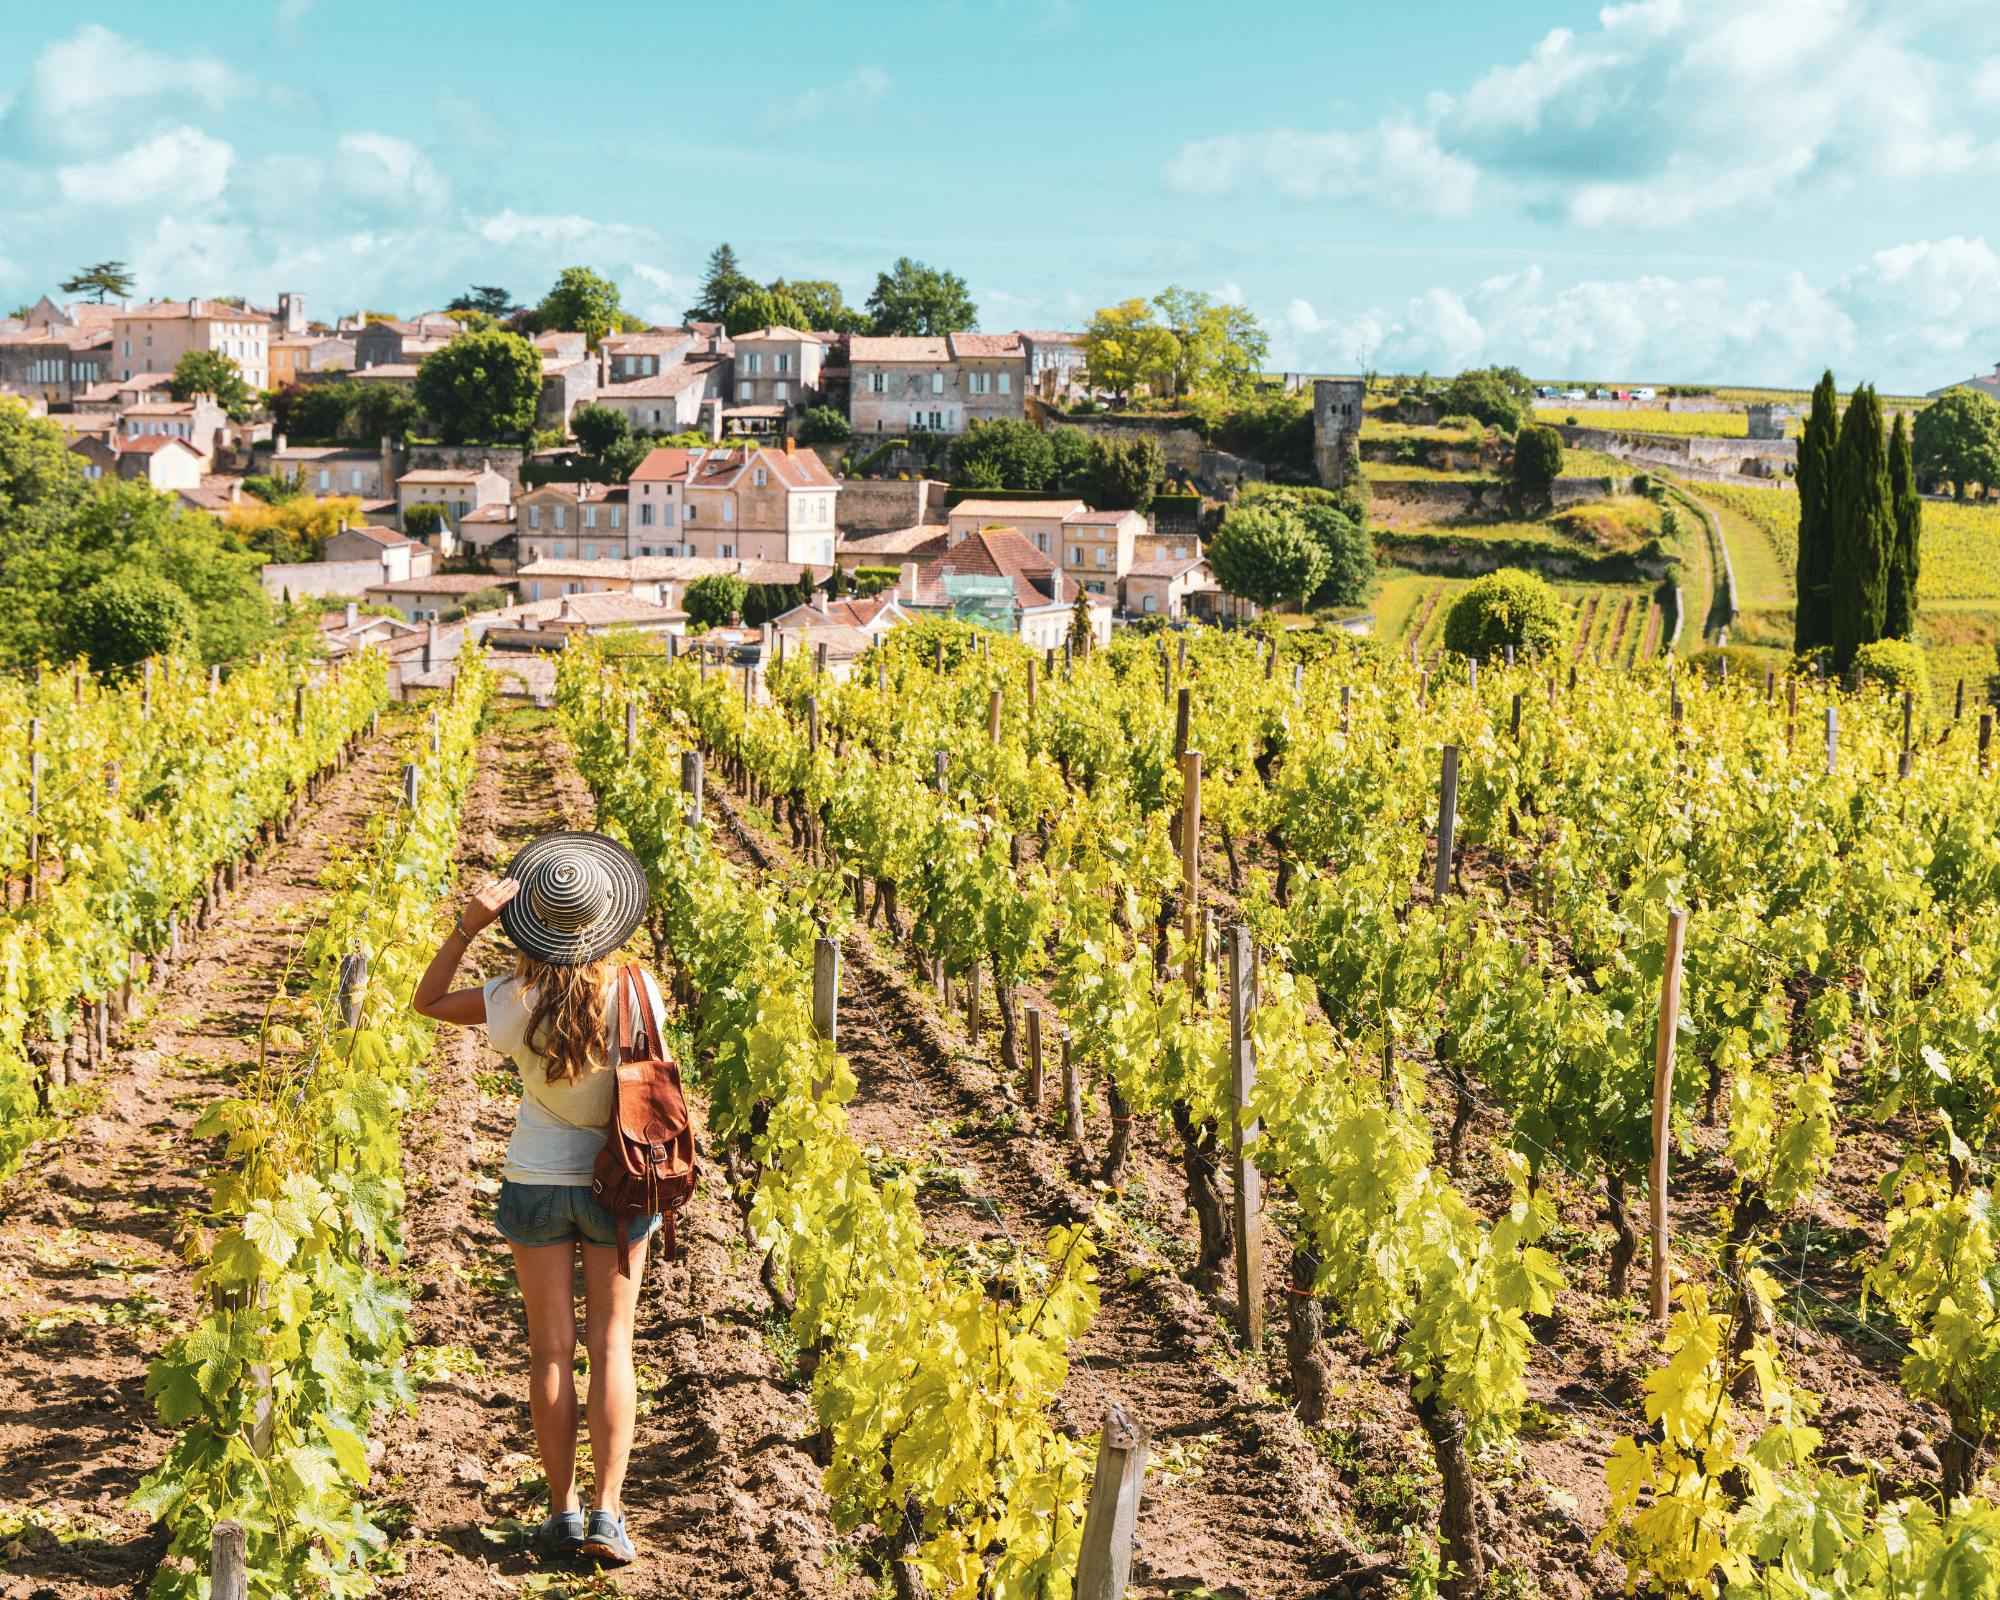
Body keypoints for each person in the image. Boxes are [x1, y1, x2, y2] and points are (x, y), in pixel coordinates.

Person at [413, 830, 663, 1567]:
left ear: (530, 925)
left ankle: (562, 1512)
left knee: (550, 1350)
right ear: (606, 919)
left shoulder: (509, 998)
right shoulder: (637, 990)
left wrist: (468, 926)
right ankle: (609, 1515)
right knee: (611, 1346)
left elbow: (427, 1001)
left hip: (534, 1183)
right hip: (619, 1184)